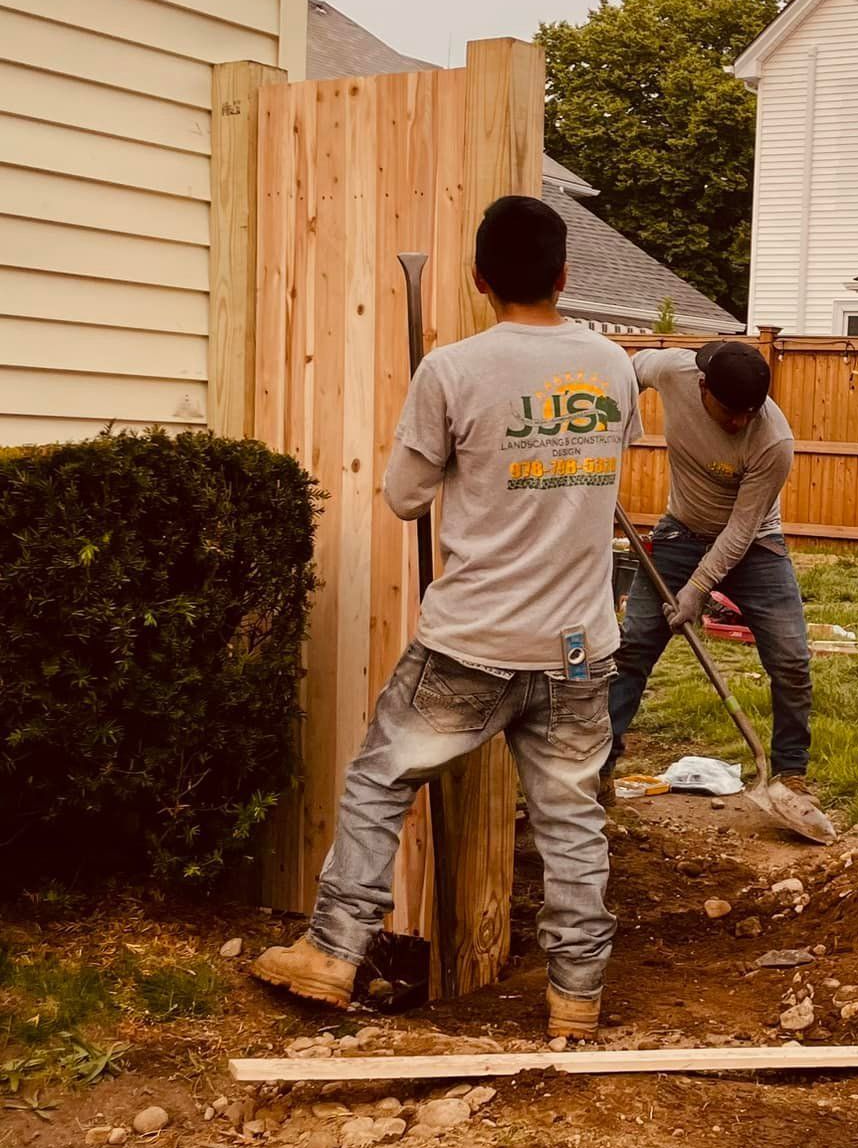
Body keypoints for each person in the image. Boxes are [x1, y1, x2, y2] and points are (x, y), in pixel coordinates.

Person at [252, 195, 639, 1043]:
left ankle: (333, 948)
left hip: (472, 645)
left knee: (380, 779)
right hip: (578, 651)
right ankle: (576, 999)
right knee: (572, 820)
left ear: (478, 280)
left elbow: (402, 499)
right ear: (566, 275)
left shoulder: (454, 370)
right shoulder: (612, 367)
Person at [606, 340, 812, 794]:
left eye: (749, 412)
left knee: (791, 658)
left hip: (756, 547)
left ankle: (790, 774)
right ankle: (599, 767)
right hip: (681, 531)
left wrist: (697, 589)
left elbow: (740, 531)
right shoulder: (674, 370)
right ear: (702, 387)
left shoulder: (773, 440)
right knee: (634, 647)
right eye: (730, 411)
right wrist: (615, 430)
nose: (740, 422)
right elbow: (625, 370)